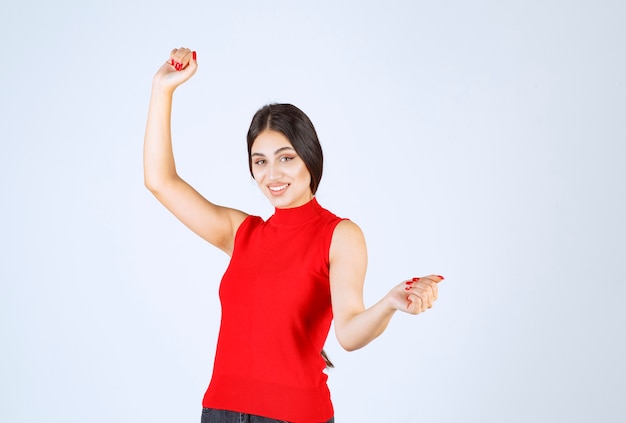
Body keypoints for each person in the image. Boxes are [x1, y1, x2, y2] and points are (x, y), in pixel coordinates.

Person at [143, 47, 443, 423]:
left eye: (286, 158)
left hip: (294, 417)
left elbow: (348, 333)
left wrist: (389, 303)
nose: (273, 175)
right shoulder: (241, 232)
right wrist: (161, 89)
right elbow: (160, 182)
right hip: (219, 412)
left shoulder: (339, 235)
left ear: (308, 156)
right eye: (260, 161)